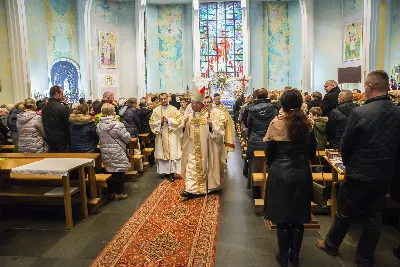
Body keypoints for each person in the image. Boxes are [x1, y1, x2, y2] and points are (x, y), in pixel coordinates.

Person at [316, 70, 400, 267]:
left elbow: (345, 145)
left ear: (370, 87)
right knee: (374, 216)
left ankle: (331, 244)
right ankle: (364, 257)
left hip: (359, 171)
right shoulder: (397, 112)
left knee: (345, 211)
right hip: (384, 173)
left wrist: (348, 164)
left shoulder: (360, 112)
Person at [263, 89, 316, 267]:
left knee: (282, 217)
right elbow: (312, 153)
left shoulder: (275, 123)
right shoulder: (307, 124)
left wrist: (274, 165)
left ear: (282, 104)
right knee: (299, 216)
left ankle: (283, 254)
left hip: (280, 173)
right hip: (301, 172)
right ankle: (295, 255)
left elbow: (269, 154)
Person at [180, 87, 226, 200]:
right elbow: (184, 133)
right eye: (191, 103)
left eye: (194, 103)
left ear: (200, 104)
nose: (191, 105)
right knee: (191, 167)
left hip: (206, 148)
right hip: (192, 148)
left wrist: (211, 125)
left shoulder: (208, 116)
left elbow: (219, 131)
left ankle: (205, 188)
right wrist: (183, 125)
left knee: (205, 167)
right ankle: (190, 189)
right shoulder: (189, 117)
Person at [97, 103, 131, 200]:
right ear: (112, 112)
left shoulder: (99, 125)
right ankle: (119, 192)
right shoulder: (118, 125)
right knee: (119, 171)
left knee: (110, 170)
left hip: (105, 151)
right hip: (117, 151)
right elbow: (127, 138)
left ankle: (111, 192)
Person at [246, 89, 277, 193]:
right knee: (269, 163)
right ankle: (269, 188)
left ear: (256, 96)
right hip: (269, 139)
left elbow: (249, 125)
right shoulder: (274, 108)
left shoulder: (251, 109)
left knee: (254, 164)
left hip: (255, 138)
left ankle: (255, 190)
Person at [149, 93, 183, 182]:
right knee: (163, 154)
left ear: (167, 99)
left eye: (165, 99)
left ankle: (172, 172)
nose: (163, 101)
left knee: (172, 152)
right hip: (161, 135)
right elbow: (152, 123)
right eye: (162, 99)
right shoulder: (156, 110)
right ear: (159, 100)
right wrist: (160, 121)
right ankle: (166, 173)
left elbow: (179, 120)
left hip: (172, 135)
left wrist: (169, 120)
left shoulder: (173, 109)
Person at [42, 85, 71, 152]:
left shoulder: (44, 107)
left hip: (49, 140)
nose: (62, 96)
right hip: (62, 141)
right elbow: (68, 124)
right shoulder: (63, 108)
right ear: (57, 94)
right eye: (61, 94)